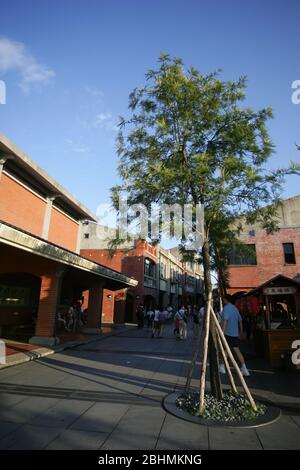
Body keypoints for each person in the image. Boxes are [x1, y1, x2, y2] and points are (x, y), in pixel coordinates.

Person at [219, 295, 250, 376]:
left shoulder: (226, 308)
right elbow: (240, 320)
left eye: (223, 299)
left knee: (228, 350)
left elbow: (225, 320)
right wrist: (241, 331)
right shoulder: (235, 308)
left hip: (227, 333)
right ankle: (244, 368)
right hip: (235, 334)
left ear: (225, 300)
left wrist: (222, 332)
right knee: (232, 350)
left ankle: (222, 366)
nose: (222, 301)